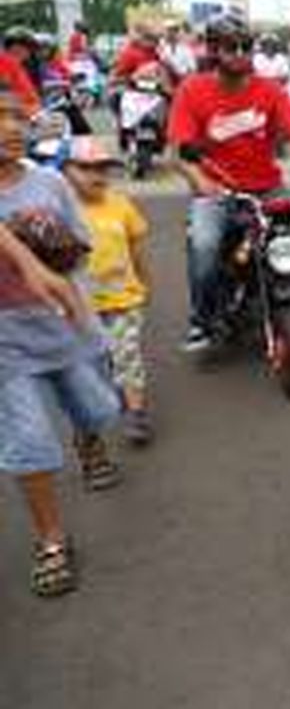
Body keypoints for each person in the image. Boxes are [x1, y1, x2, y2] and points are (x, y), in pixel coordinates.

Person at [0, 87, 123, 597]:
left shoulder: (49, 181)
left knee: (99, 409)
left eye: (16, 118)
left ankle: (88, 438)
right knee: (29, 444)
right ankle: (51, 539)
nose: (10, 128)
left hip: (67, 329)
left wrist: (54, 252)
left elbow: (80, 248)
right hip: (7, 345)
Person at [168, 15, 290, 351]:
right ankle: (201, 320)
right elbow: (177, 152)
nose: (241, 54)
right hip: (218, 190)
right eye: (231, 47)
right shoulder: (192, 89)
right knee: (204, 248)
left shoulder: (269, 90)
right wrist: (200, 180)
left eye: (247, 47)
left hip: (267, 187)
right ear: (214, 50)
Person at [62, 136, 154, 445]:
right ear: (64, 171)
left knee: (128, 356)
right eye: (85, 168)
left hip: (123, 298)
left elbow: (136, 247)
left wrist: (144, 282)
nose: (96, 175)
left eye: (103, 168)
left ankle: (137, 413)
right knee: (92, 362)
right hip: (80, 304)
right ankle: (97, 404)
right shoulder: (61, 209)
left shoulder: (120, 204)